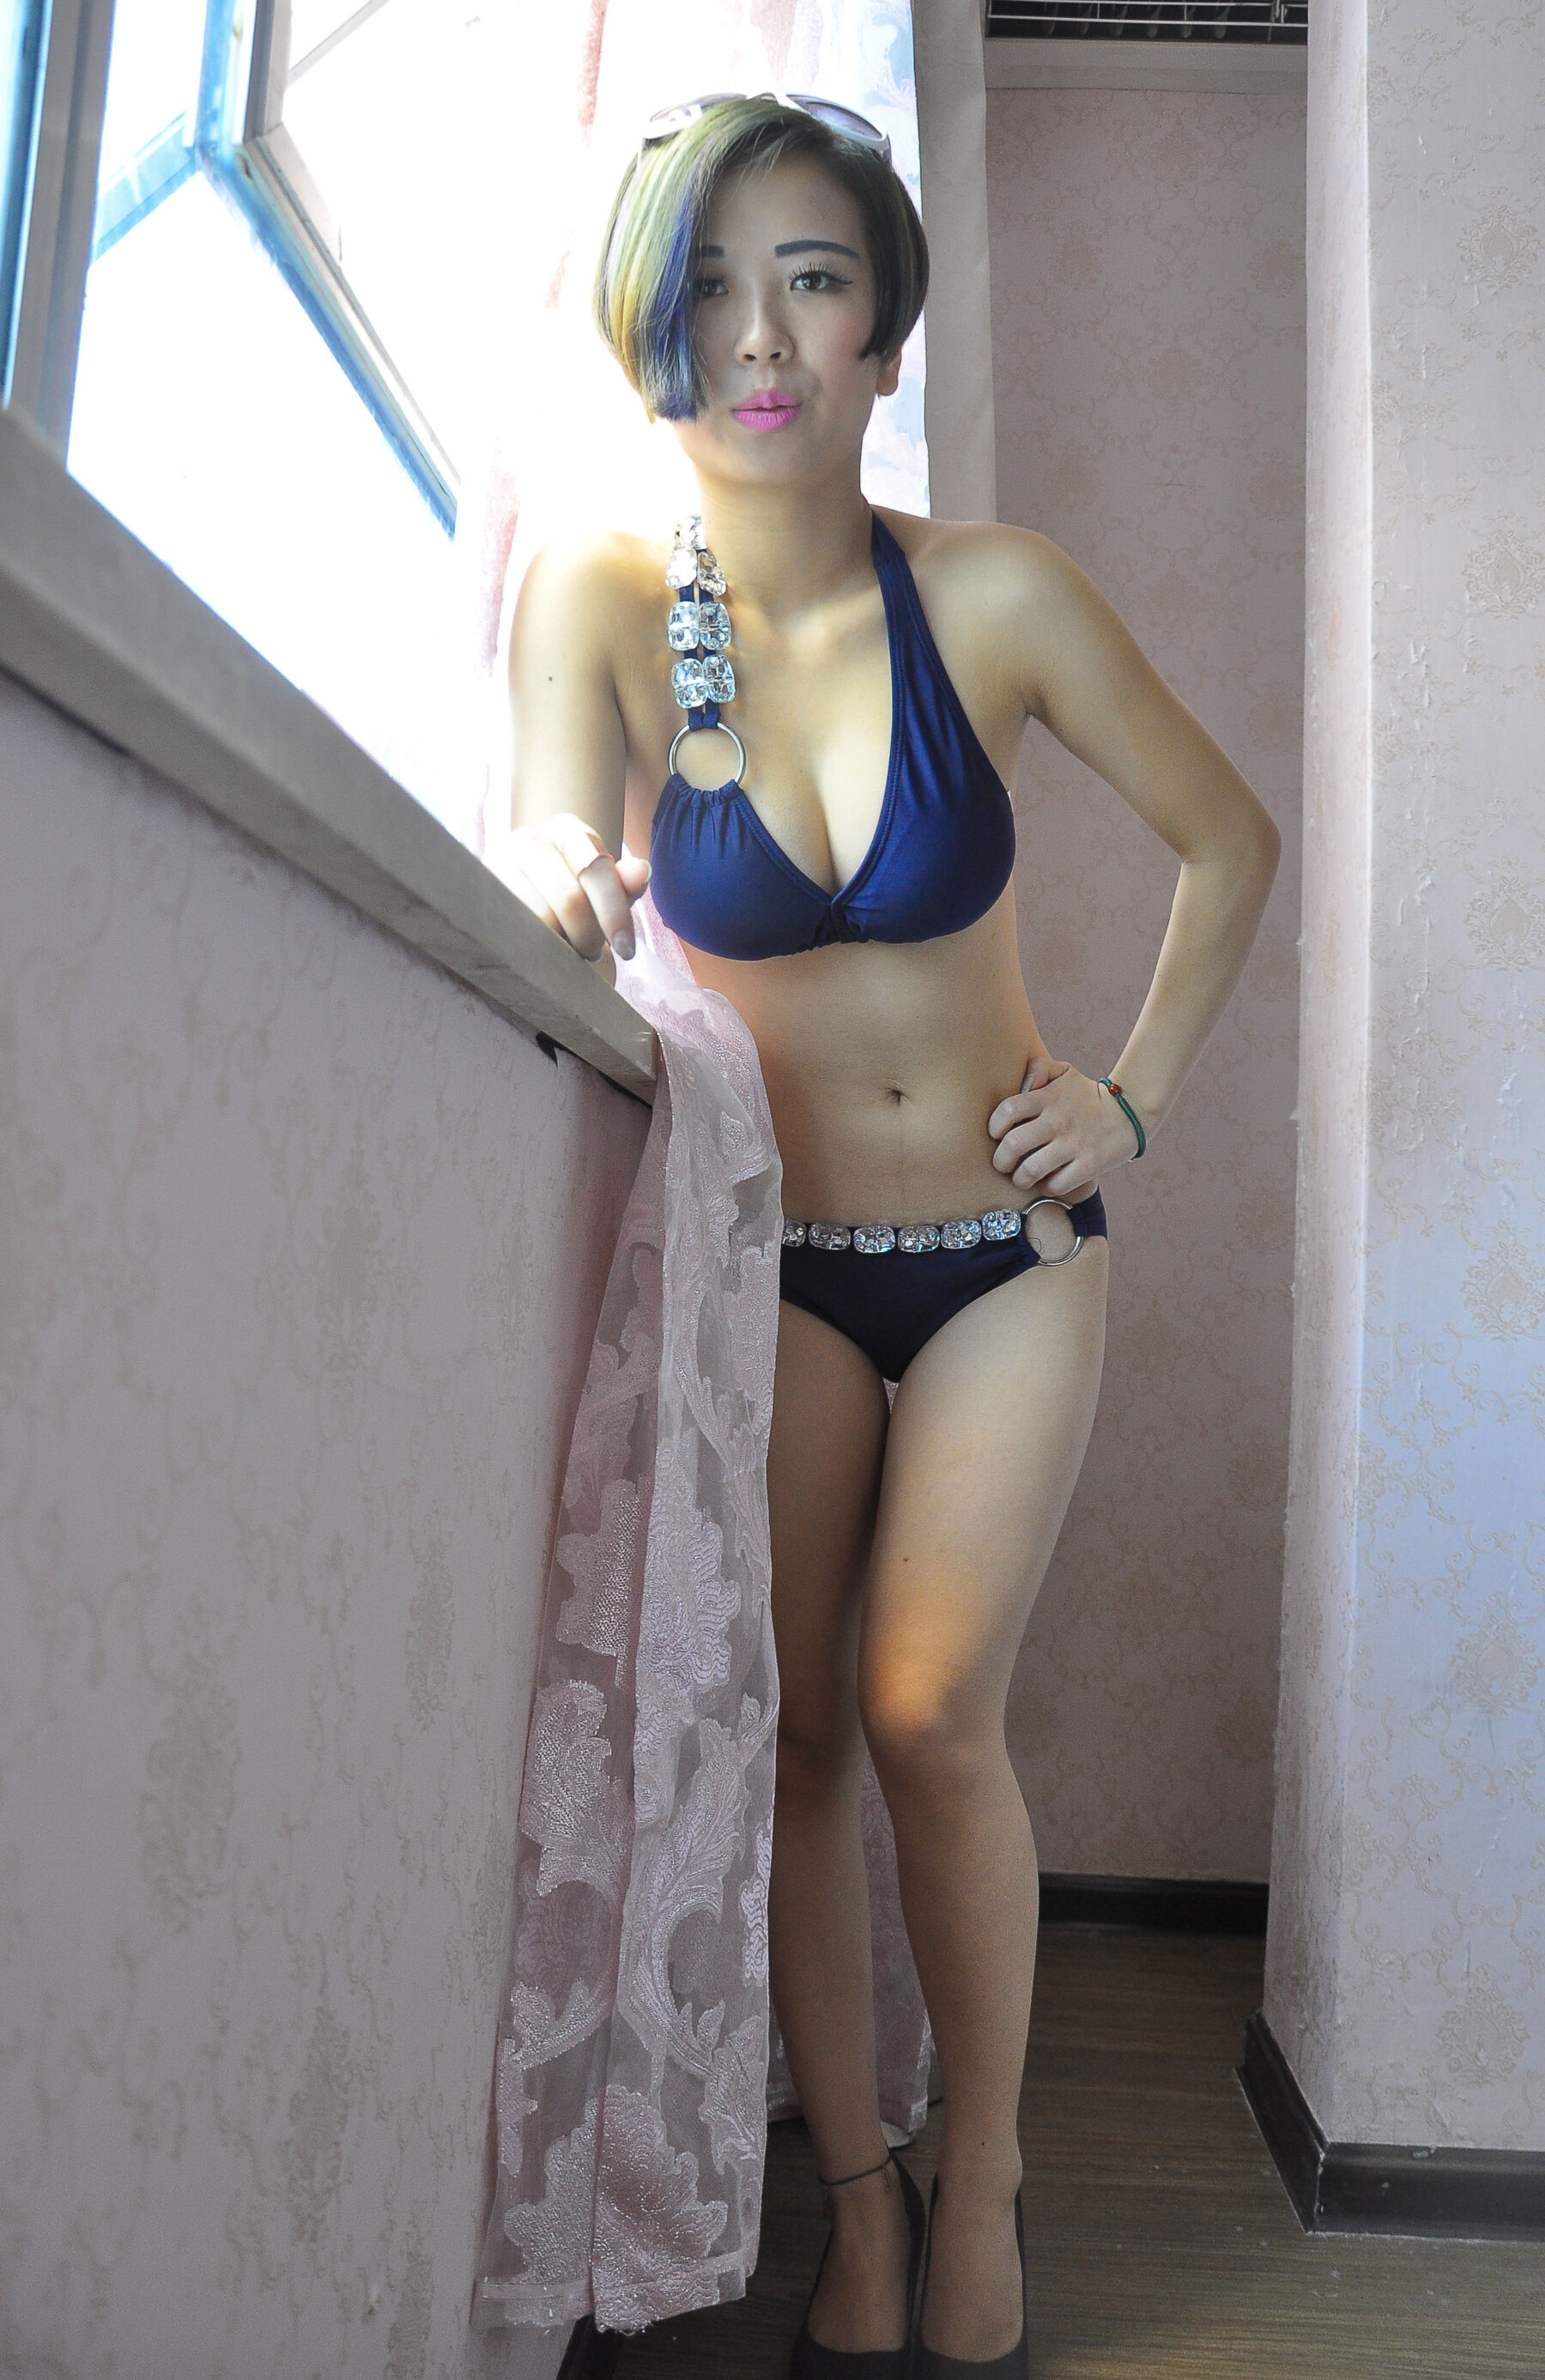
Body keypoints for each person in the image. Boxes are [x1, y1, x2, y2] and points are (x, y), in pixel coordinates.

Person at [499, 92, 1279, 2380]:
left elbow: (1229, 840)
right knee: (801, 1741)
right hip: (780, 1274)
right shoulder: (609, 599)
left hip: (1005, 1260)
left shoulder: (994, 594)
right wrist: (556, 875)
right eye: (715, 283)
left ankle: (991, 2167)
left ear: (882, 333)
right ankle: (856, 2188)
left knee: (932, 1707)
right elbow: (549, 828)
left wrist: (1128, 1091)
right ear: (654, 330)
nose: (765, 330)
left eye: (817, 276)